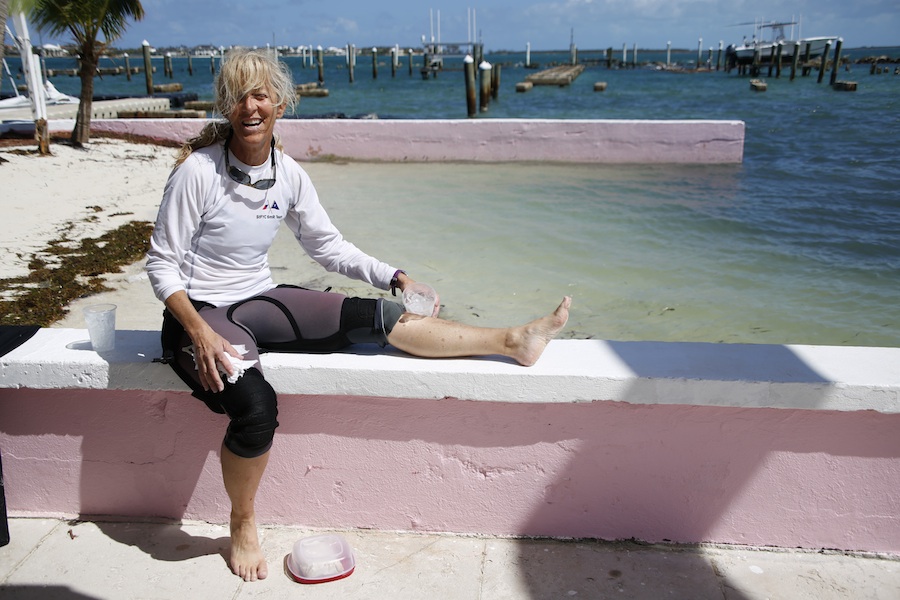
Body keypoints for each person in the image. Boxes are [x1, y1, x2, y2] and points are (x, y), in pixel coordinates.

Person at [146, 48, 571, 582]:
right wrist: (199, 331)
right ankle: (243, 520)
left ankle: (512, 340)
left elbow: (329, 247)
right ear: (226, 107)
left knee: (380, 318)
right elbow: (161, 264)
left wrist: (397, 277)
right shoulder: (199, 171)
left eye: (261, 95)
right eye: (238, 97)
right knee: (256, 409)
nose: (250, 107)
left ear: (280, 104)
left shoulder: (287, 174)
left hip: (256, 300)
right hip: (199, 315)